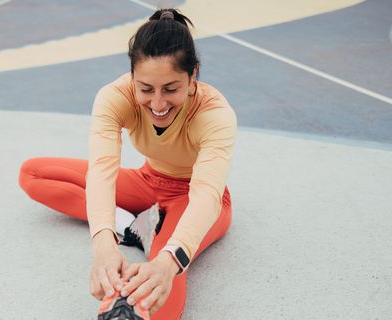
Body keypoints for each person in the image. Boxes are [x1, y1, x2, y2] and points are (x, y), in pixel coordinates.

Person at [19, 8, 236, 320]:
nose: (158, 104)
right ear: (133, 77)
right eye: (146, 89)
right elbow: (102, 172)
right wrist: (104, 244)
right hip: (148, 181)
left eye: (171, 89)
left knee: (163, 284)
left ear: (192, 78)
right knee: (33, 173)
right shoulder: (114, 96)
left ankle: (155, 239)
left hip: (193, 199)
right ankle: (132, 229)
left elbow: (205, 195)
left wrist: (167, 261)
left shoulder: (215, 114)